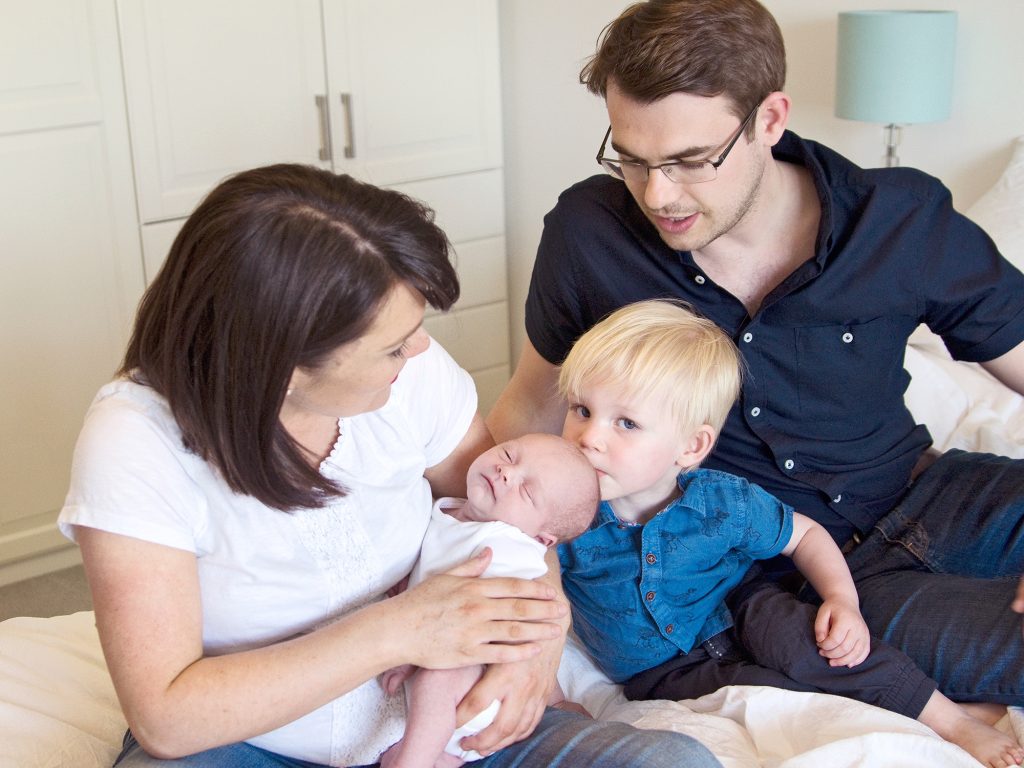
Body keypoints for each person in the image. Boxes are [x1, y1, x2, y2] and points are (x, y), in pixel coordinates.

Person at [57, 164, 721, 767]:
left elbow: (524, 522)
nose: (422, 350)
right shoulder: (136, 443)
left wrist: (541, 640)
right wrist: (401, 628)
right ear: (281, 369)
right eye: (394, 346)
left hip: (443, 728)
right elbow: (168, 718)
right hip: (254, 742)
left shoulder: (414, 377)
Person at [487, 0, 1024, 707]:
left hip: (943, 494)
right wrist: (489, 554)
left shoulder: (897, 220)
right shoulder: (591, 235)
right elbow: (531, 401)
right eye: (632, 159)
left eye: (689, 161)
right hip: (805, 578)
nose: (658, 194)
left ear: (770, 119)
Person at [556, 299, 1024, 768]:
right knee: (788, 698)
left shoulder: (720, 500)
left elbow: (803, 536)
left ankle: (952, 721)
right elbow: (531, 601)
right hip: (663, 670)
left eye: (626, 423)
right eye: (581, 409)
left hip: (744, 606)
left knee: (824, 651)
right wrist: (552, 696)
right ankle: (929, 717)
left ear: (691, 446)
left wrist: (842, 601)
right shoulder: (560, 517)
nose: (589, 437)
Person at [379, 432, 599, 768]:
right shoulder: (444, 511)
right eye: (509, 454)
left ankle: (414, 760)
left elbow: (515, 622)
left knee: (439, 679)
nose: (507, 472)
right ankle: (441, 756)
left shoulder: (507, 544)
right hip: (442, 665)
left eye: (527, 490)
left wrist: (410, 655)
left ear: (541, 538)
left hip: (482, 679)